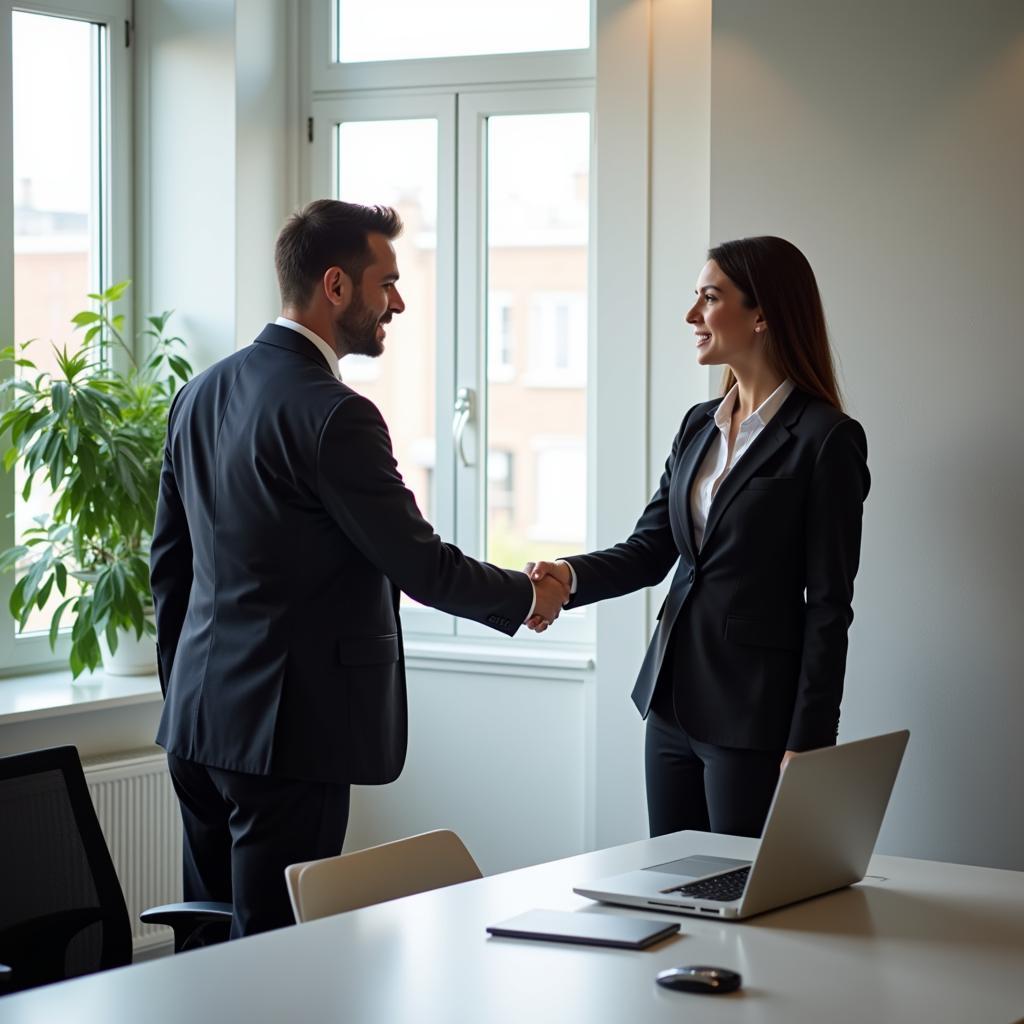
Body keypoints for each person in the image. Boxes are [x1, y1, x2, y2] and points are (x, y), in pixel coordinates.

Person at [150, 199, 569, 938]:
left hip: (198, 725)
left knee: (207, 951)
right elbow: (418, 561)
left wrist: (188, 690)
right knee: (280, 957)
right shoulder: (334, 414)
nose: (398, 303)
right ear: (336, 286)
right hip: (289, 735)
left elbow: (170, 570)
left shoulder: (198, 394)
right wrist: (526, 595)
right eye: (388, 283)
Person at [525, 236, 870, 840]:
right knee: (669, 883)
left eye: (710, 298)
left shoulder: (825, 438)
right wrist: (568, 576)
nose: (693, 316)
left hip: (754, 715)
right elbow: (652, 548)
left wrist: (811, 738)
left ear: (762, 314)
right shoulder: (698, 425)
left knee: (740, 895)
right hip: (670, 702)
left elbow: (830, 606)